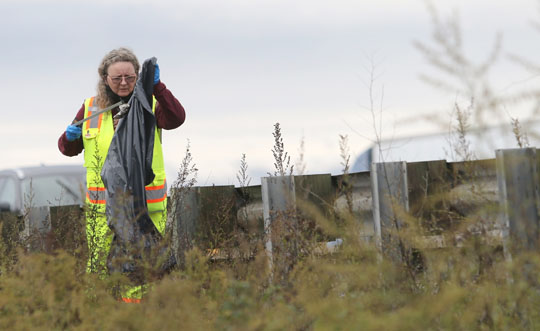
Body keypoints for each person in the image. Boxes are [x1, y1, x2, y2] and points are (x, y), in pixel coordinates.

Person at [58, 47, 185, 302]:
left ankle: (138, 318)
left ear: (138, 75)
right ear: (105, 78)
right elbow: (67, 148)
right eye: (117, 79)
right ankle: (100, 313)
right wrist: (68, 138)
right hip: (102, 208)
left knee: (145, 268)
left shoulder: (151, 104)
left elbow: (176, 118)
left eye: (130, 77)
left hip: (145, 207)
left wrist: (158, 87)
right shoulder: (91, 108)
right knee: (98, 268)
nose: (124, 83)